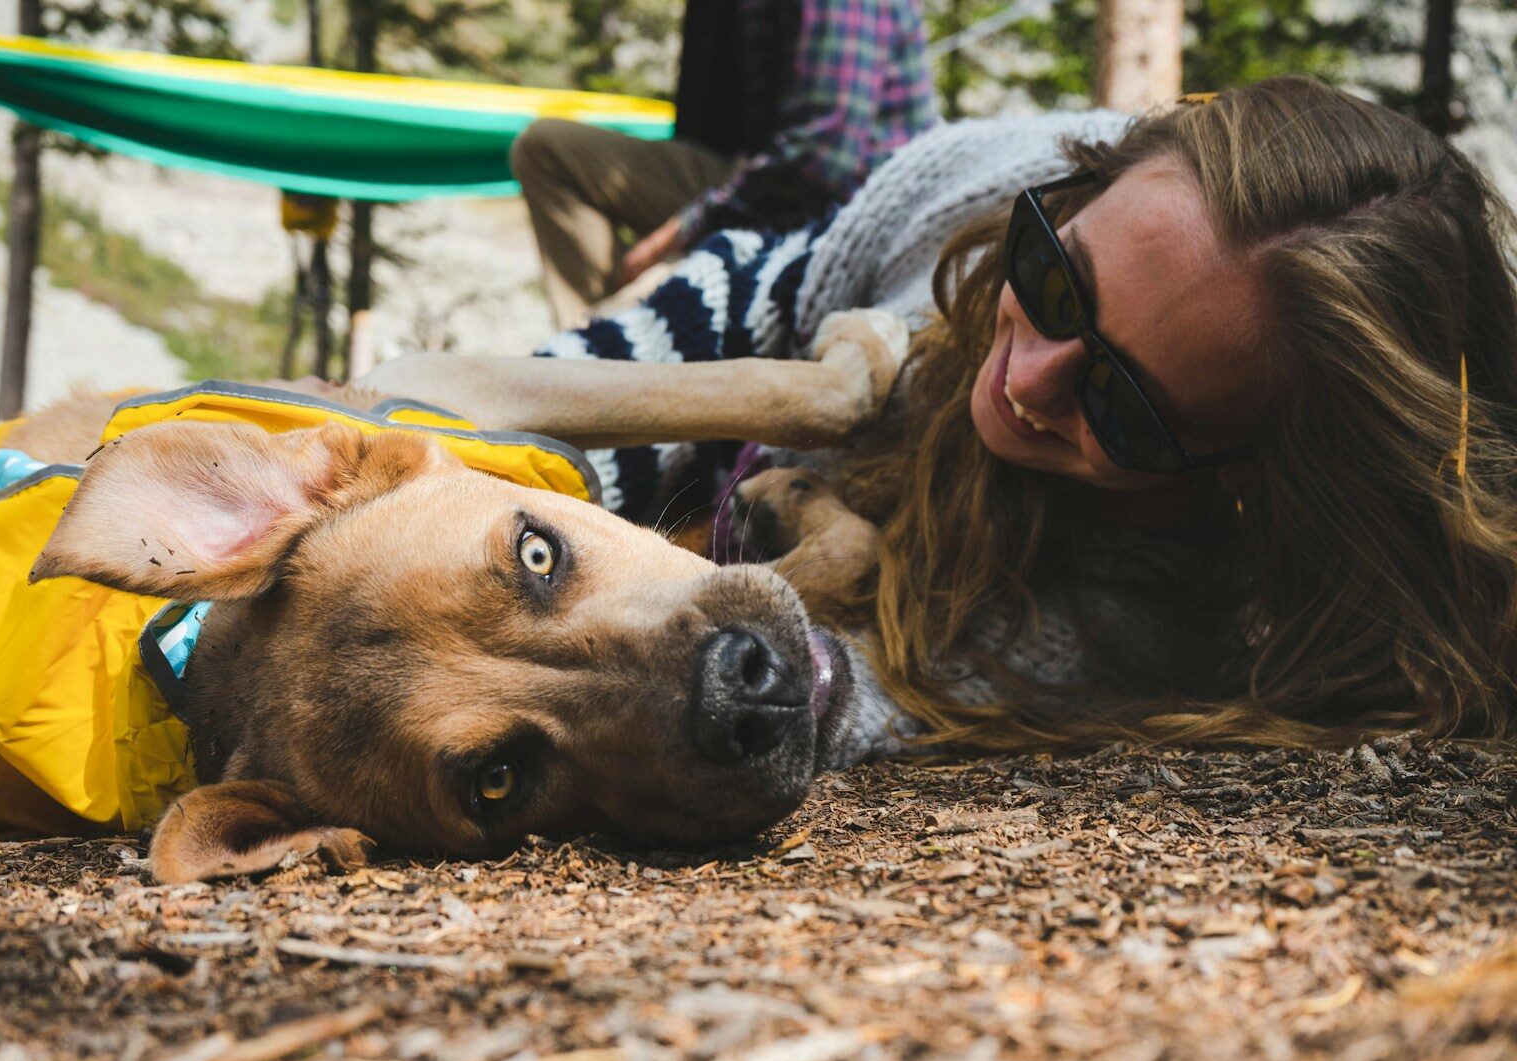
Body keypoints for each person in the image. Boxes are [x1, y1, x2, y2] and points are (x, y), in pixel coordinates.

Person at [380, 77, 1517, 757]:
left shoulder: (1140, 615)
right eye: (1056, 274)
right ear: (1079, 186)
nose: (1028, 381)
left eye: (1120, 404)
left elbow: (780, 697)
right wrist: (477, 468)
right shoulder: (983, 192)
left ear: (1249, 474)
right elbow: (743, 299)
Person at [508, 0, 936, 328]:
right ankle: (593, 368)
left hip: (853, 216)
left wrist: (683, 231)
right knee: (547, 149)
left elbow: (821, 158)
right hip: (751, 177)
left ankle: (600, 367)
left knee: (641, 303)